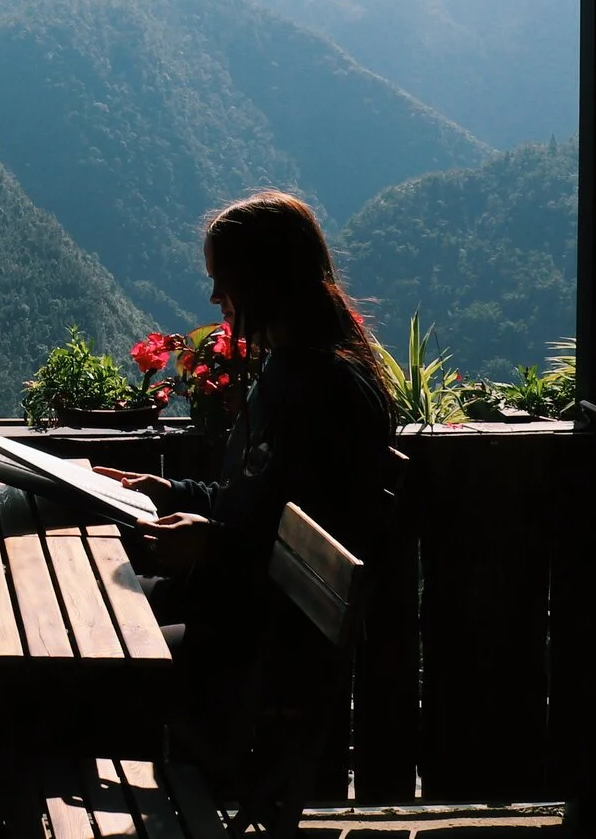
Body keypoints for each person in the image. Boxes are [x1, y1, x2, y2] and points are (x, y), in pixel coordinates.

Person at [94, 190, 398, 770]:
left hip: (260, 643)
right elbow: (252, 503)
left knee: (80, 654)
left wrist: (211, 545)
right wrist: (165, 492)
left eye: (221, 279)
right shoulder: (295, 367)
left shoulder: (323, 389)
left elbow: (313, 544)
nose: (214, 298)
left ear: (263, 279)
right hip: (238, 609)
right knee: (88, 619)